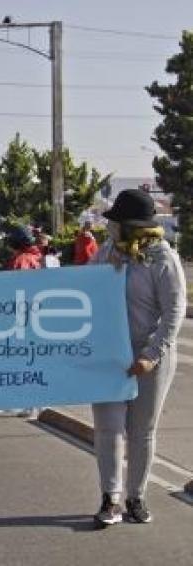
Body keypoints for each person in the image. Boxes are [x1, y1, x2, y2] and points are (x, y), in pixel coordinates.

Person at [90, 189, 186, 528]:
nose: (110, 228)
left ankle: (136, 496)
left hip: (150, 359)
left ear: (132, 226)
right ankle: (110, 498)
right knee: (108, 429)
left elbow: (174, 312)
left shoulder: (162, 257)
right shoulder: (104, 254)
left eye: (116, 223)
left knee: (142, 430)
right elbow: (84, 297)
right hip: (109, 357)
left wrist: (150, 355)